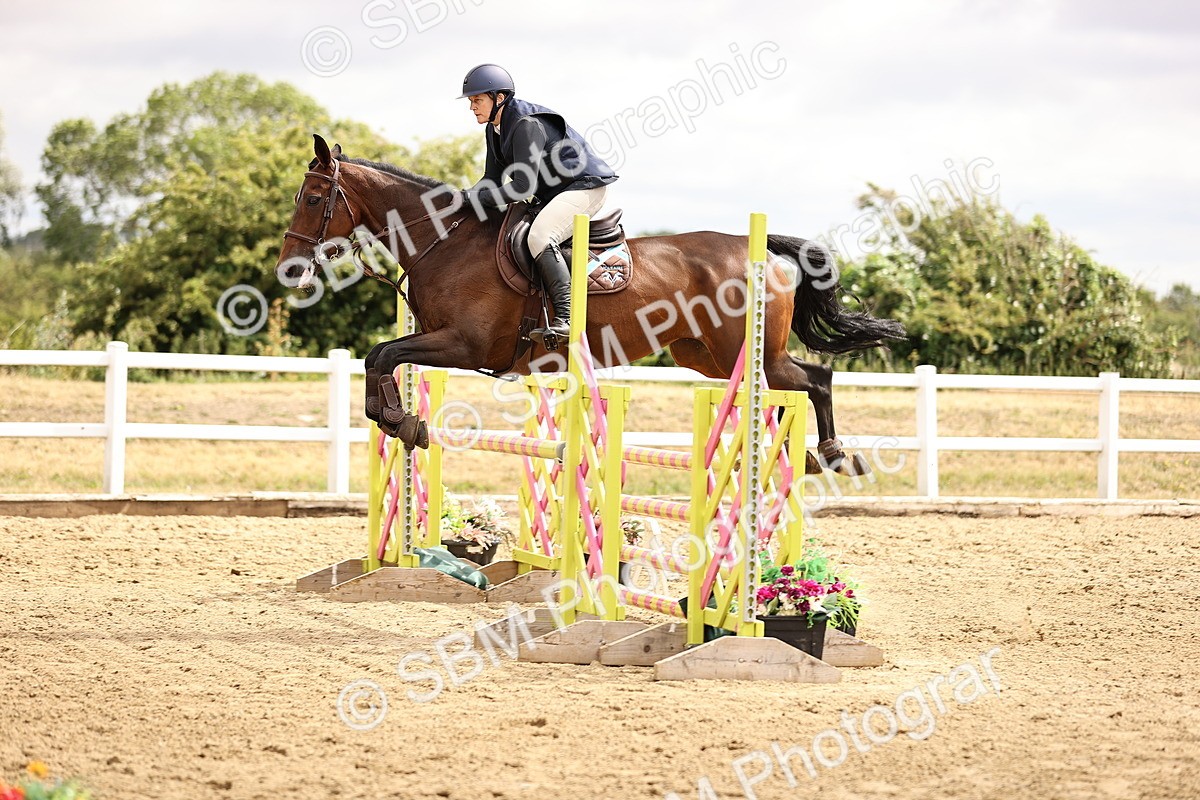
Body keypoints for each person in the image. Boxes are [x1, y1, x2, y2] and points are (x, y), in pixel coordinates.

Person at [458, 64, 618, 346]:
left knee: (541, 236)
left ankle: (567, 319)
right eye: (471, 101)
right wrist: (456, 201)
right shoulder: (494, 129)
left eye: (477, 100)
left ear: (499, 98)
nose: (472, 107)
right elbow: (491, 180)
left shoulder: (525, 124)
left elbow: (522, 187)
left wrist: (471, 199)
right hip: (554, 193)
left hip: (583, 187)